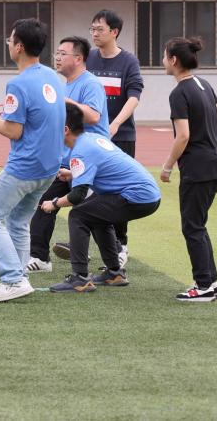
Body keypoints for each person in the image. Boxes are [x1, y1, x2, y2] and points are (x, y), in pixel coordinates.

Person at [0, 18, 65, 302]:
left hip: (25, 167)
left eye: (10, 40)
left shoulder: (18, 83)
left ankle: (12, 279)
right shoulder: (51, 76)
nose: (8, 44)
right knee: (18, 220)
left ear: (19, 46)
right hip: (49, 166)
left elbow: (13, 130)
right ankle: (20, 276)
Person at [55, 9, 144, 266]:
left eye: (99, 29)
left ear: (114, 32)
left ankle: (120, 244)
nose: (94, 33)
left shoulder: (128, 61)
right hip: (89, 137)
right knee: (87, 188)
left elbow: (134, 96)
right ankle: (85, 243)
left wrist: (115, 124)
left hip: (119, 134)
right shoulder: (89, 57)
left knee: (117, 190)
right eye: (92, 29)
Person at [42, 104, 161, 293]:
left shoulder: (80, 150)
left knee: (78, 214)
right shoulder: (91, 138)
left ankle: (80, 278)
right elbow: (102, 166)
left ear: (65, 130)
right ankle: (115, 273)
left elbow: (77, 196)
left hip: (137, 196)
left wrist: (54, 204)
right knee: (96, 215)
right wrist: (73, 174)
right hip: (147, 194)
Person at [26, 36, 109, 273]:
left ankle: (114, 261)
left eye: (63, 53)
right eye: (57, 53)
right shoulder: (63, 85)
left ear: (79, 58)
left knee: (90, 213)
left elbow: (93, 116)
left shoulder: (90, 83)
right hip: (66, 161)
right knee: (43, 203)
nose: (57, 57)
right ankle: (40, 258)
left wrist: (64, 101)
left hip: (89, 160)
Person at [160, 37, 217, 303]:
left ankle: (203, 285)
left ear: (174, 60)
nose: (163, 61)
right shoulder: (205, 84)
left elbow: (183, 136)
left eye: (165, 56)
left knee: (192, 227)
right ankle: (210, 281)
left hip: (197, 168)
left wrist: (167, 166)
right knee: (198, 224)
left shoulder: (179, 93)